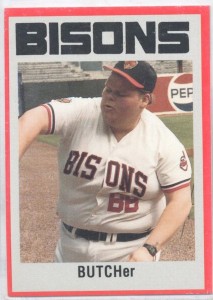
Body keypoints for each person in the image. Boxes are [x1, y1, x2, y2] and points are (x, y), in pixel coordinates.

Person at [19, 61, 192, 262]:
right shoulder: (82, 111)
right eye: (108, 89)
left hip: (130, 251)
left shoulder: (164, 141)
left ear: (144, 100)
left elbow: (181, 201)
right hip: (70, 246)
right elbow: (33, 118)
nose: (110, 96)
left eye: (120, 94)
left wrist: (150, 249)